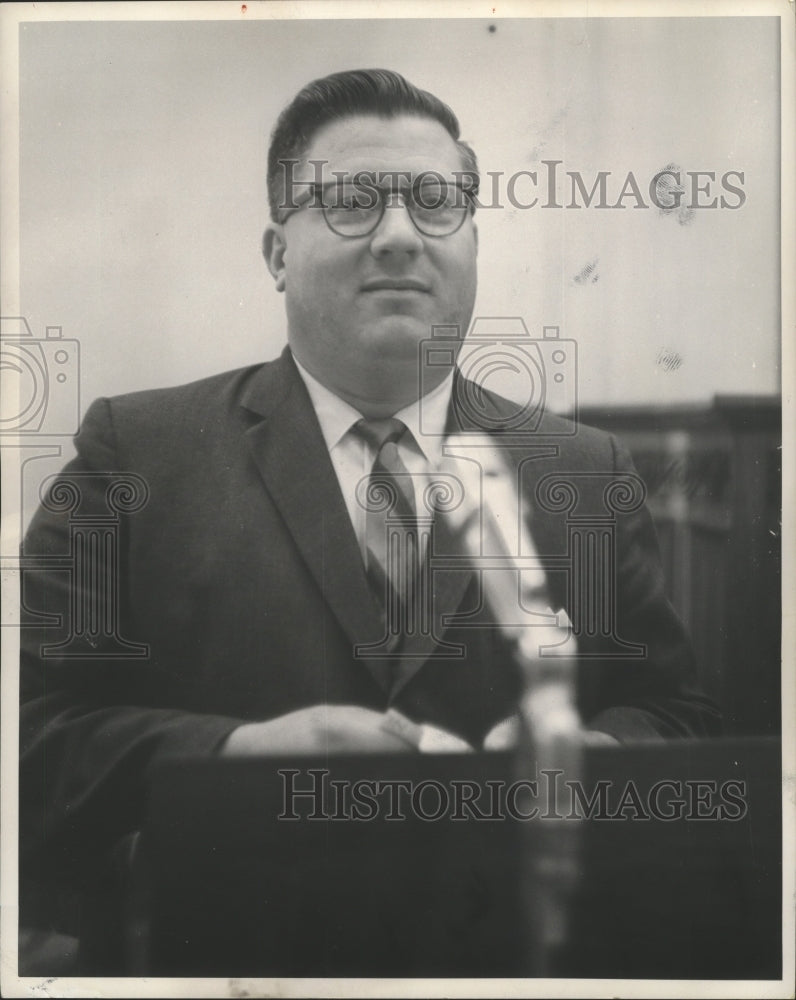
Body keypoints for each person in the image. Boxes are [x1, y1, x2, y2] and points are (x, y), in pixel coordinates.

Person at [19, 68, 721, 964]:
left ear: (471, 239)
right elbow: (28, 734)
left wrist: (596, 751)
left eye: (436, 202)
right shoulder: (138, 451)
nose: (398, 236)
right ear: (276, 253)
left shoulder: (583, 469)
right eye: (350, 201)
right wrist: (233, 754)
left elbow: (674, 711)